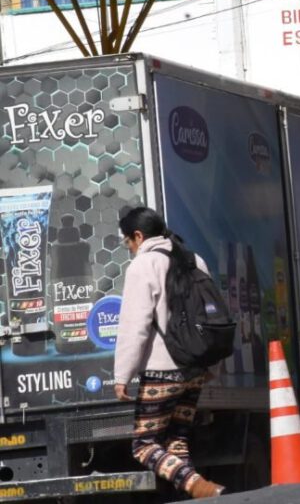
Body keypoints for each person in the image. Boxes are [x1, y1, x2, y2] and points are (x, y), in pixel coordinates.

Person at [113, 207, 225, 498]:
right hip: (196, 368)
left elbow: (134, 326)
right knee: (177, 440)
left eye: (128, 242)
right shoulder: (193, 259)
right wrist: (214, 366)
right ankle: (196, 492)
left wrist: (122, 375)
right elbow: (212, 315)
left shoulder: (143, 265)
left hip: (163, 370)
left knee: (144, 445)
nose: (129, 248)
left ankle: (200, 487)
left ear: (138, 236)